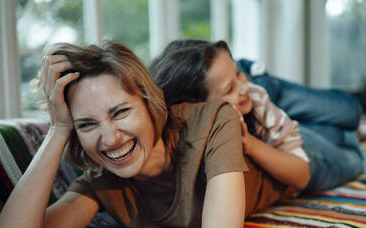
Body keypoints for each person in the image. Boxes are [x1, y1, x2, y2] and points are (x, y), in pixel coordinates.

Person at [0, 41, 300, 228]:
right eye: (86, 124)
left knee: (333, 129)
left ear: (149, 101)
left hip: (288, 163)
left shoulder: (214, 120)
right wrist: (59, 129)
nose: (111, 139)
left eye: (121, 112)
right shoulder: (102, 183)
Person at [149, 38, 364, 193]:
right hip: (268, 124)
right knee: (345, 143)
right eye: (229, 89)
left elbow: (302, 173)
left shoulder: (253, 93)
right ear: (198, 107)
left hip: (262, 103)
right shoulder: (179, 129)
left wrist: (249, 143)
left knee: (351, 116)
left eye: (238, 75)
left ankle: (254, 74)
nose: (243, 88)